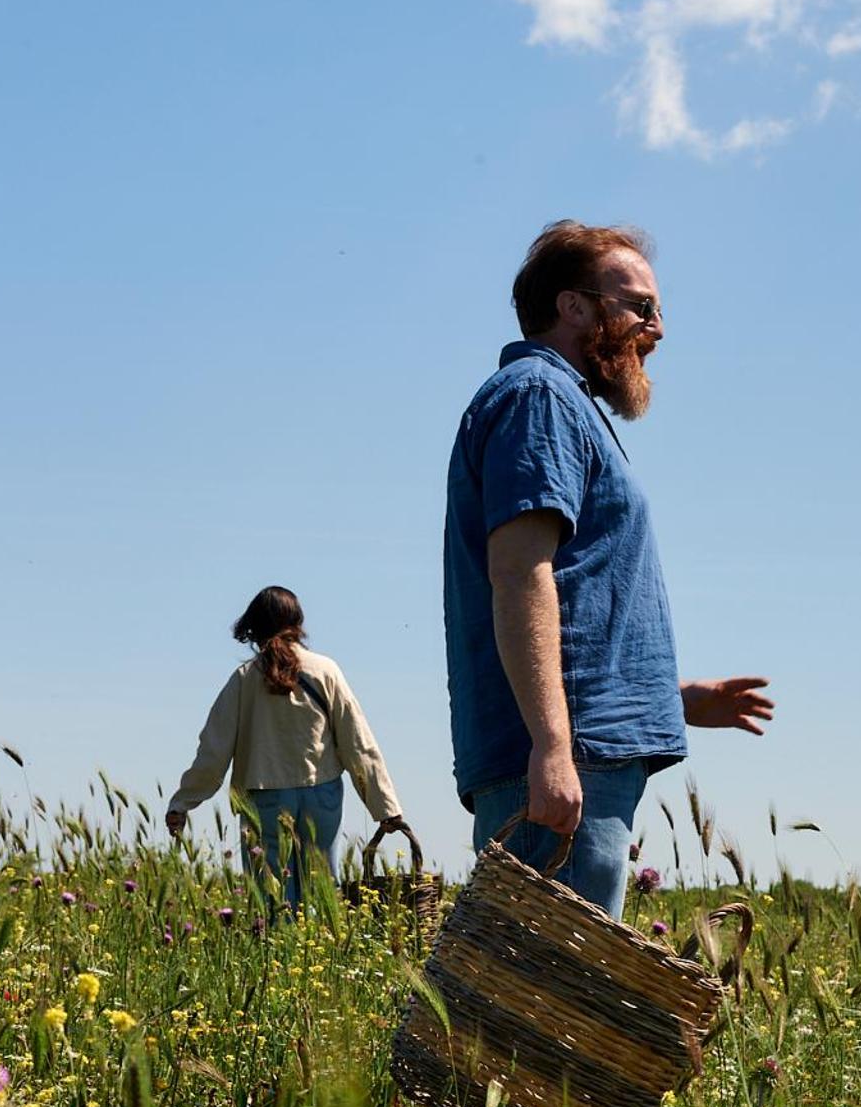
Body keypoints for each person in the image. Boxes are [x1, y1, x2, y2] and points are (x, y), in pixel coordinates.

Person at [444, 220, 772, 921]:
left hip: (582, 749)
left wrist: (669, 696)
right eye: (641, 308)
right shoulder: (539, 395)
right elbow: (520, 572)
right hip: (566, 761)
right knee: (546, 1014)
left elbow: (576, 597)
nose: (655, 329)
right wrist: (553, 749)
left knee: (553, 1009)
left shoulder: (561, 406)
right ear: (574, 307)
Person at [165, 586, 403, 911]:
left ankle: (276, 956)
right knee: (318, 894)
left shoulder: (244, 679)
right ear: (297, 621)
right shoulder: (325, 670)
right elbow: (358, 743)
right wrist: (384, 806)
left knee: (271, 898)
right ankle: (316, 953)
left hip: (264, 799)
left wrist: (183, 802)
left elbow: (213, 752)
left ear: (254, 625)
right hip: (322, 793)